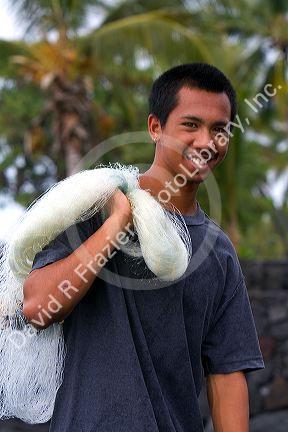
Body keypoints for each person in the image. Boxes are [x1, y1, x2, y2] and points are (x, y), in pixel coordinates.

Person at [23, 63, 264, 432]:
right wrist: (117, 222)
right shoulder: (92, 207)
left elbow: (227, 373)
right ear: (155, 128)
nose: (205, 141)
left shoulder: (219, 253)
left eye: (219, 129)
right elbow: (39, 307)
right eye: (190, 125)